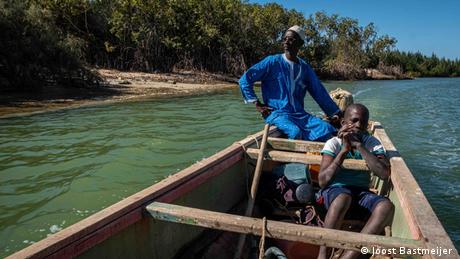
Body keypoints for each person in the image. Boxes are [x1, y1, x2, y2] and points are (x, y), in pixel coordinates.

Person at [317, 103, 394, 259]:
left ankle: (350, 256)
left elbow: (384, 173)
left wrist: (359, 145)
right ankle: (323, 253)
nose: (358, 125)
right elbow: (323, 181)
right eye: (354, 120)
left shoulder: (371, 143)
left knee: (386, 206)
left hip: (361, 194)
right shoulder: (334, 143)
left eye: (363, 122)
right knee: (343, 197)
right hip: (334, 194)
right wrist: (344, 150)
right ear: (343, 123)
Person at [239, 25, 342, 141]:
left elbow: (319, 92)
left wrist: (336, 113)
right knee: (295, 132)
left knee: (327, 128)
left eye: (291, 39)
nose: (286, 42)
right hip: (277, 113)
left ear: (300, 44)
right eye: (284, 39)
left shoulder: (304, 68)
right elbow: (245, 80)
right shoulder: (272, 62)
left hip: (299, 114)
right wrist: (258, 104)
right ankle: (293, 158)